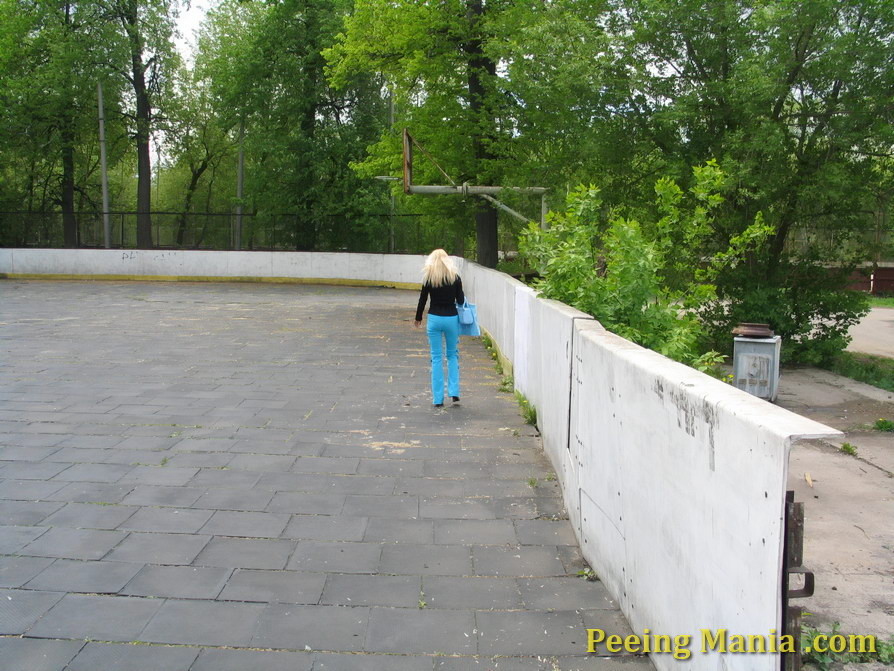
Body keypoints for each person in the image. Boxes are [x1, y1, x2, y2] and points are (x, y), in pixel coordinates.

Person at [414, 249, 465, 407]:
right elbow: (461, 301)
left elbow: (423, 299)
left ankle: (437, 399)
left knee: (436, 357)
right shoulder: (455, 277)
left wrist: (418, 317)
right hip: (451, 318)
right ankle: (454, 391)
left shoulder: (429, 278)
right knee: (452, 355)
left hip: (434, 318)